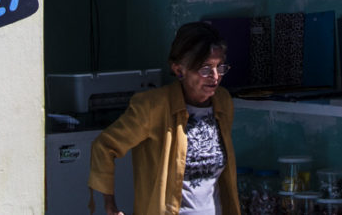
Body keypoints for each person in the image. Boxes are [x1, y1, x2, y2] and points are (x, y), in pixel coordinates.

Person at [89, 21, 242, 215]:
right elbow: (104, 146)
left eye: (220, 67)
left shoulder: (222, 102)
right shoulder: (153, 107)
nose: (214, 76)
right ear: (179, 70)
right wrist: (110, 205)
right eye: (205, 68)